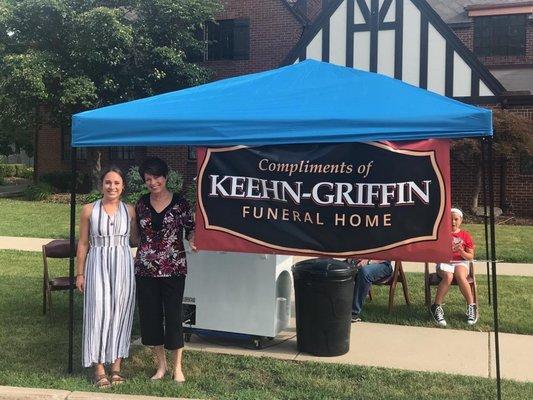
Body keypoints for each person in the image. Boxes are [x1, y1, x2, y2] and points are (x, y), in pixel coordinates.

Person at [135, 157, 196, 383]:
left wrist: (193, 239)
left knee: (173, 317)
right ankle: (160, 365)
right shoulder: (140, 204)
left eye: (157, 177)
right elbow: (134, 235)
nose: (153, 182)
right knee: (151, 318)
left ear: (166, 177)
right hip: (145, 270)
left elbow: (191, 229)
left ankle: (177, 367)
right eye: (148, 179)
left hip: (174, 269)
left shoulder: (180, 204)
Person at [76, 167, 136, 388]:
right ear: (101, 185)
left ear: (123, 186)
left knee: (121, 313)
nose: (112, 187)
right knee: (97, 314)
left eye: (117, 183)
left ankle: (116, 366)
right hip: (97, 265)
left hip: (123, 266)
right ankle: (99, 367)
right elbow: (83, 243)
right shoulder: (88, 211)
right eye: (108, 182)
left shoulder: (130, 211)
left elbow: (136, 239)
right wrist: (79, 273)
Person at [430, 207, 476, 327]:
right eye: (450, 219)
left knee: (460, 275)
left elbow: (470, 257)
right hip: (444, 261)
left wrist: (461, 252)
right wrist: (446, 251)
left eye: (456, 219)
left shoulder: (465, 236)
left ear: (460, 220)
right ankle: (436, 307)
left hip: (460, 262)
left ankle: (471, 306)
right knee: (448, 276)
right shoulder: (441, 234)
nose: (453, 222)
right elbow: (434, 253)